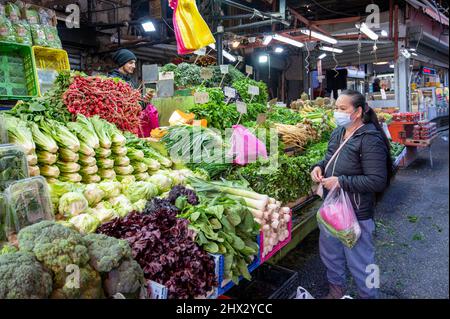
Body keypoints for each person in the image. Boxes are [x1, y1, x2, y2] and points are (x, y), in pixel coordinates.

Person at [310, 89, 392, 299]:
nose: (337, 112)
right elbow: (330, 159)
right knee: (331, 254)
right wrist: (318, 167)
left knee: (363, 260)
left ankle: (370, 295)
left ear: (357, 112)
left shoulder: (369, 138)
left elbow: (377, 181)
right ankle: (336, 290)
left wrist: (341, 182)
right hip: (333, 208)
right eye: (336, 108)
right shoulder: (338, 132)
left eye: (342, 108)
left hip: (356, 211)